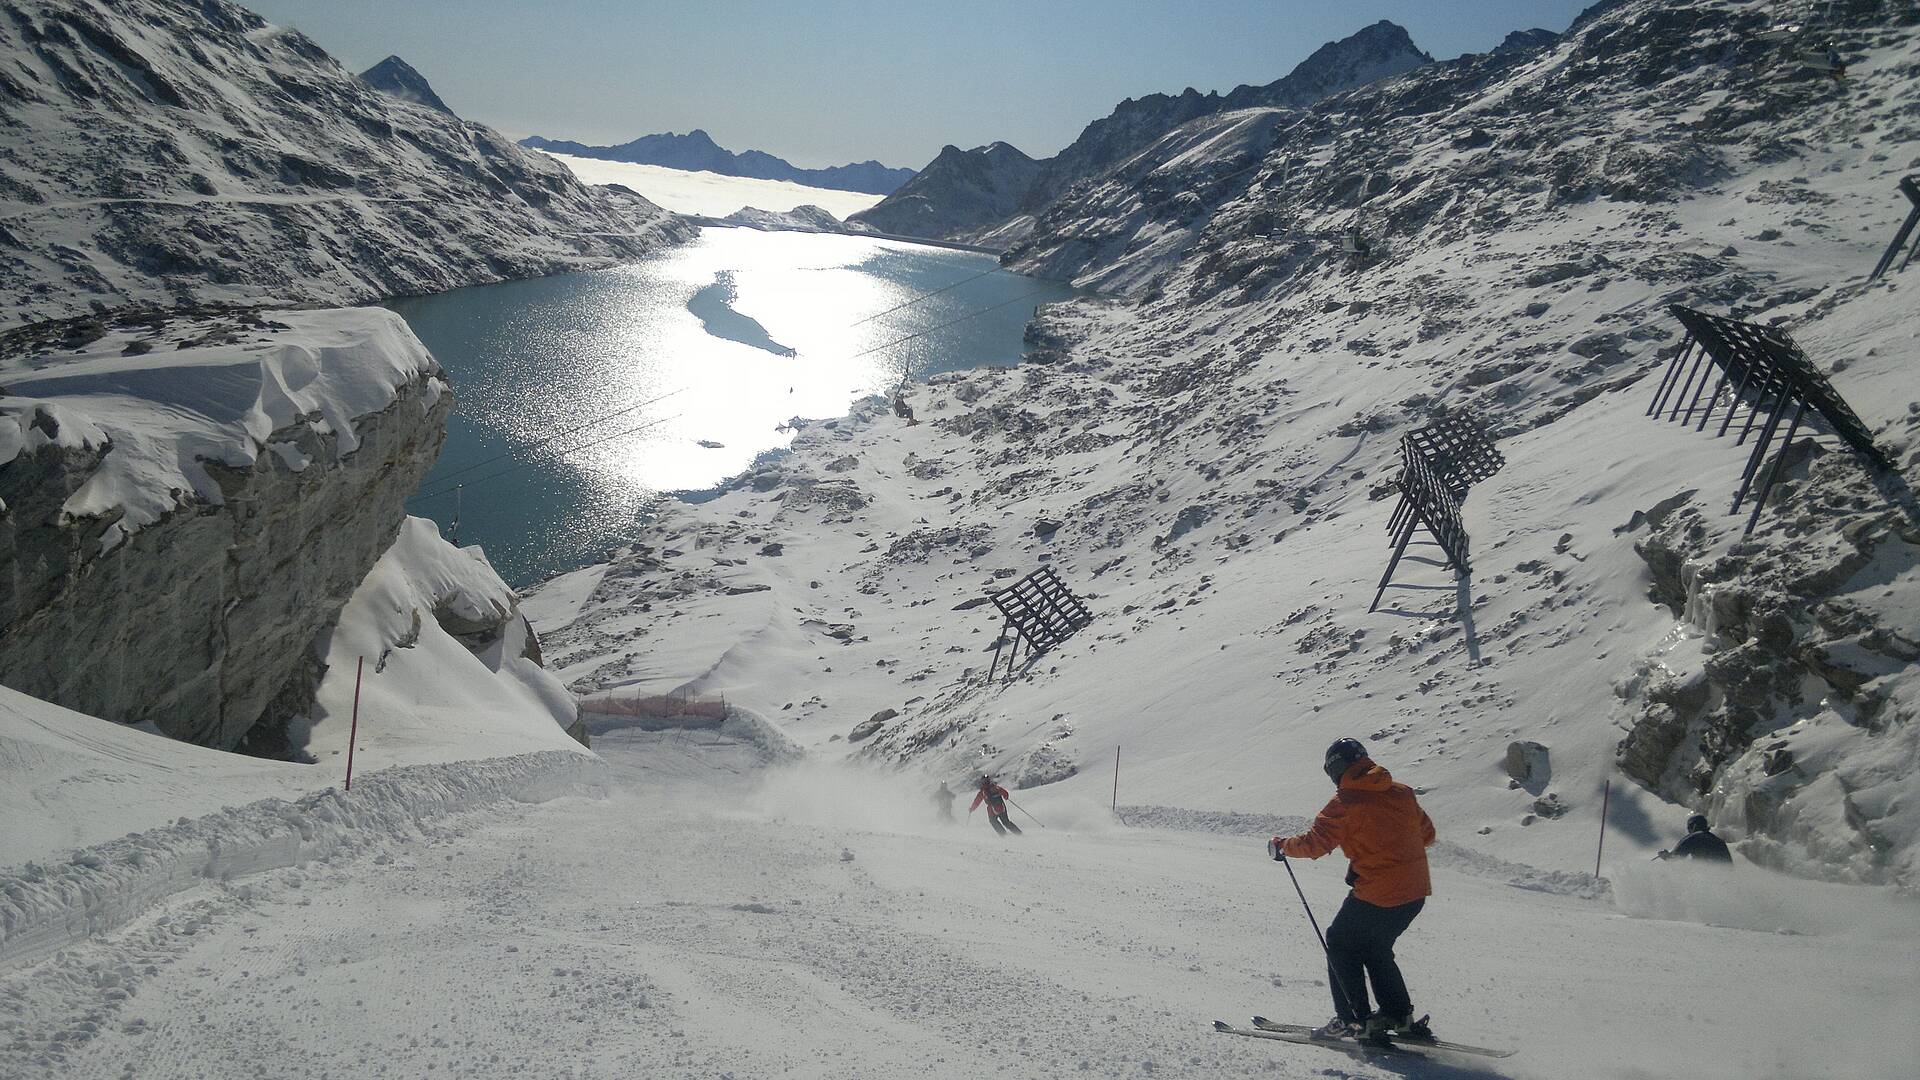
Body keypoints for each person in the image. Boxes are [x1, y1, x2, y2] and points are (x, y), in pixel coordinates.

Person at [1269, 738, 1436, 1042]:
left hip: (1378, 892)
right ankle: (1398, 1015)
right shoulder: (1401, 792)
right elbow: (1427, 834)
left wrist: (1281, 846)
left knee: (1341, 941)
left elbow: (1314, 844)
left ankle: (1352, 1019)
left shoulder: (1345, 803)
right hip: (1414, 892)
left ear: (1337, 769)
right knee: (1375, 947)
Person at [1657, 813, 1733, 864]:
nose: (1688, 831)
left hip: (1705, 878)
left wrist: (1664, 855)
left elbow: (1674, 857)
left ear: (1694, 826)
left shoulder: (1693, 838)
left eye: (1689, 828)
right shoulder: (1719, 841)